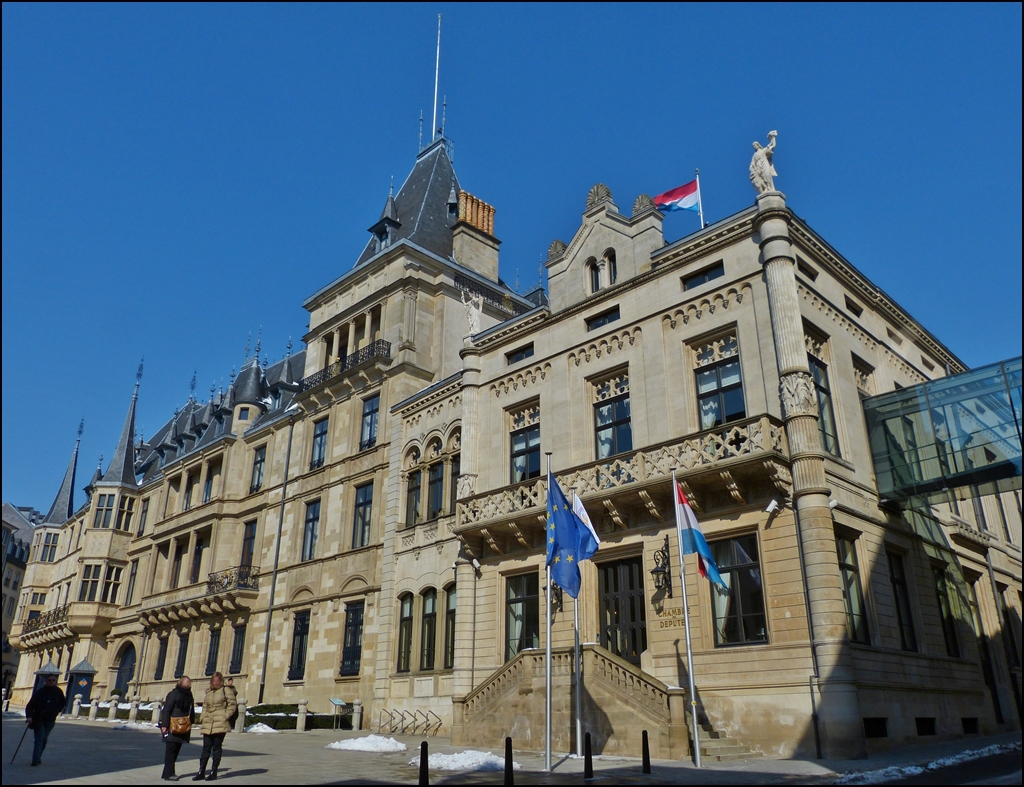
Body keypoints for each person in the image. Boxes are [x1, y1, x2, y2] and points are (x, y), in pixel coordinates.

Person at [193, 672, 236, 781]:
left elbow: (232, 704)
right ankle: (201, 771)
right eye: (214, 681)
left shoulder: (226, 690)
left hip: (220, 722)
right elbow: (205, 706)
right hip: (208, 722)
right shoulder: (209, 692)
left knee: (216, 747)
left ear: (221, 681)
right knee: (206, 748)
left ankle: (214, 772)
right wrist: (202, 717)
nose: (216, 683)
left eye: (218, 681)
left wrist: (226, 716)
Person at [159, 676, 195, 781]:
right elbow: (166, 710)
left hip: (183, 726)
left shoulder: (189, 694)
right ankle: (170, 773)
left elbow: (191, 709)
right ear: (181, 682)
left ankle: (166, 773)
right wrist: (164, 725)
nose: (189, 683)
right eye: (187, 681)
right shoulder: (173, 694)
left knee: (176, 750)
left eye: (190, 681)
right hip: (172, 725)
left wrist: (191, 721)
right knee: (171, 750)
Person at [25, 674, 66, 766]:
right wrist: (29, 716)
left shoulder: (58, 691)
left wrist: (57, 710)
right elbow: (30, 705)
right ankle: (35, 759)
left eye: (53, 680)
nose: (51, 682)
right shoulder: (40, 692)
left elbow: (63, 702)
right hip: (39, 719)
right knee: (39, 739)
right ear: (45, 681)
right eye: (49, 680)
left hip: (50, 719)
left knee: (44, 739)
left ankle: (38, 756)